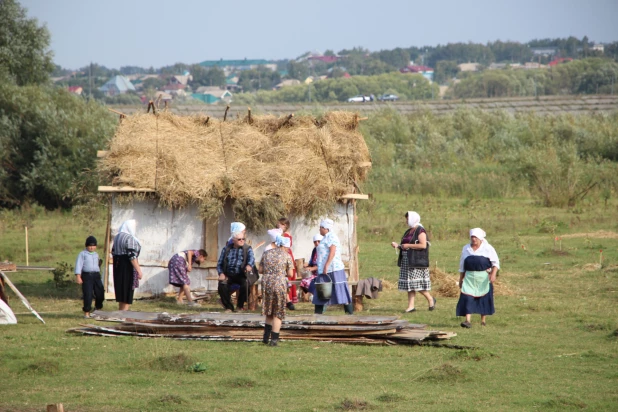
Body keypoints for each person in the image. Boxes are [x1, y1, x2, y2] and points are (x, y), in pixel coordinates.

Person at [391, 211, 436, 313]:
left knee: (416, 284)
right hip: (407, 260)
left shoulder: (420, 231)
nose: (406, 221)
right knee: (409, 284)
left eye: (408, 219)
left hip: (416, 260)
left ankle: (430, 299)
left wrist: (408, 246)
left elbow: (423, 245)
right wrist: (398, 246)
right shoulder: (409, 231)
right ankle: (411, 306)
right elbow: (405, 245)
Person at [456, 228, 500, 328]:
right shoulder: (466, 249)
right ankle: (467, 320)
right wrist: (460, 279)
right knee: (467, 297)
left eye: (475, 237)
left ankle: (483, 321)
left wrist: (493, 274)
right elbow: (462, 265)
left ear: (480, 238)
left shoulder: (488, 248)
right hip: (469, 278)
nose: (473, 239)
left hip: (483, 278)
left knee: (483, 298)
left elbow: (496, 263)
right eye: (472, 237)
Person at [309, 218, 353, 315]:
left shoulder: (331, 237)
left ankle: (350, 315)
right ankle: (317, 316)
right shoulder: (325, 238)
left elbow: (332, 251)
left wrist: (326, 265)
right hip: (324, 270)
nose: (319, 229)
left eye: (321, 227)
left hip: (333, 269)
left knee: (340, 292)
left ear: (326, 228)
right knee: (321, 292)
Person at [260, 234, 294, 346]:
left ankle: (265, 338)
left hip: (267, 282)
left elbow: (260, 269)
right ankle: (274, 340)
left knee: (269, 310)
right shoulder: (286, 256)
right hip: (279, 282)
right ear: (284, 246)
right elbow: (290, 273)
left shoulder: (266, 253)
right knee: (278, 312)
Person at [217, 229, 255, 312]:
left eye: (243, 239)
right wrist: (221, 273)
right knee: (222, 284)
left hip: (241, 274)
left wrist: (249, 265)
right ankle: (229, 307)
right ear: (233, 240)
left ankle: (240, 306)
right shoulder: (226, 249)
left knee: (246, 284)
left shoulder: (247, 248)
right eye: (239, 239)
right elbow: (219, 263)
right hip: (228, 274)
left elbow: (251, 259)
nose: (242, 241)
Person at [112, 220, 143, 311]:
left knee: (121, 290)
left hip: (117, 265)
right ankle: (124, 314)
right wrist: (138, 270)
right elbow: (132, 256)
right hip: (127, 266)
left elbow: (113, 251)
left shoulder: (117, 237)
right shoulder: (129, 238)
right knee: (127, 290)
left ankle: (121, 312)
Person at [75, 236, 104, 318]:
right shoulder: (82, 254)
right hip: (87, 276)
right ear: (86, 246)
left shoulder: (96, 254)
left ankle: (97, 308)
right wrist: (78, 276)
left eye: (93, 245)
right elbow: (78, 265)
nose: (91, 247)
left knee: (100, 293)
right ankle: (87, 312)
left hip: (96, 275)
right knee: (88, 294)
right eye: (90, 245)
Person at [278, 217, 298, 306]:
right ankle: (287, 299)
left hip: (285, 255)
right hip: (285, 254)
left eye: (280, 224)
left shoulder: (285, 235)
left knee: (287, 277)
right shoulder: (283, 234)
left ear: (284, 225)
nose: (278, 225)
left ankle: (287, 299)